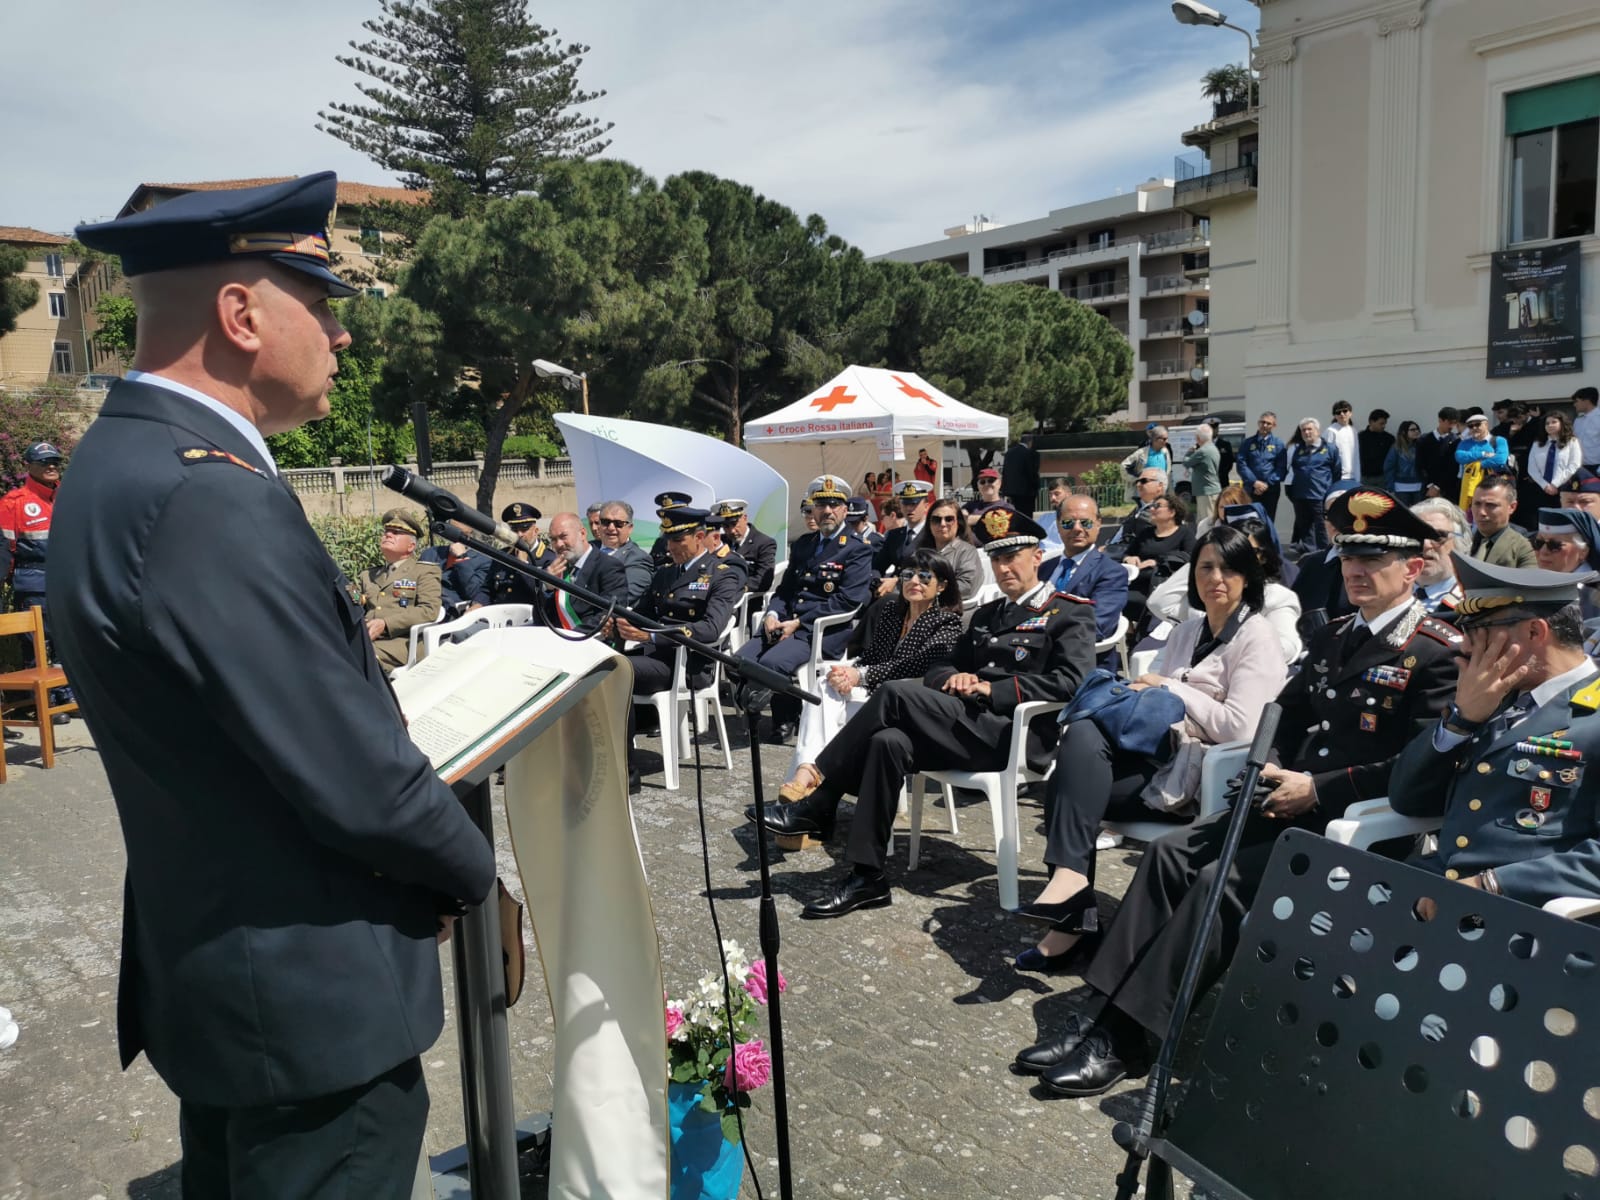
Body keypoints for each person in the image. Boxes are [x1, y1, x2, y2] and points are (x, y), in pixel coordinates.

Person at [53, 173, 497, 1192]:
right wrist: (467, 871)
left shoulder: (122, 462)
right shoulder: (208, 496)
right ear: (241, 314)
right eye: (323, 304)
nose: (342, 335)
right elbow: (354, 776)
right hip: (308, 999)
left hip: (233, 974)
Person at [1014, 486, 1461, 1097]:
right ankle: (1098, 1014)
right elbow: (1285, 717)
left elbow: (1420, 768)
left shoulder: (1436, 651)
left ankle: (1126, 1038)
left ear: (1412, 568)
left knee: (1215, 882)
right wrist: (1268, 764)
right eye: (1350, 558)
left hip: (1358, 827)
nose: (1356, 571)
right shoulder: (1333, 633)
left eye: (1373, 560)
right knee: (1168, 856)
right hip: (1284, 803)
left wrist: (1318, 788)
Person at [750, 507, 1096, 917]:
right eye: (996, 559)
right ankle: (867, 877)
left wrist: (994, 688)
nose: (1003, 568)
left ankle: (817, 799)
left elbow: (1074, 681)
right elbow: (941, 667)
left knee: (894, 694)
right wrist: (956, 677)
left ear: (1037, 557)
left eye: (1012, 557)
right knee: (887, 741)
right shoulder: (988, 615)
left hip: (1010, 735)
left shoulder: (1068, 611)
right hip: (961, 727)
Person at [1014, 525, 1289, 972]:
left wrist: (1174, 687)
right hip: (1155, 752)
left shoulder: (1257, 637)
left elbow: (1241, 729)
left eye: (1229, 568)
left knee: (1068, 785)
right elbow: (1153, 696)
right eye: (1205, 568)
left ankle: (1072, 920)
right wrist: (1160, 689)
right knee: (1081, 737)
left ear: (1248, 576)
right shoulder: (1187, 631)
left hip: (1198, 774)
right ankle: (1070, 890)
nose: (1216, 578)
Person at [1388, 555, 1600, 901]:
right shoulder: (1490, 696)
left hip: (1520, 913)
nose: (1465, 647)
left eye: (1479, 632)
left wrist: (1491, 885)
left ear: (1534, 632)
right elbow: (1405, 799)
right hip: (1433, 886)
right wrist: (1460, 722)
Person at [778, 549, 963, 801]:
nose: (914, 581)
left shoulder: (947, 622)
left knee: (823, 716)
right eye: (908, 574)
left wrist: (860, 675)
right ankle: (807, 775)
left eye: (924, 577)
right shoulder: (892, 613)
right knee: (824, 683)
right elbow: (871, 657)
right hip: (871, 693)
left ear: (941, 586)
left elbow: (918, 665)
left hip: (902, 706)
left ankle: (806, 780)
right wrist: (847, 673)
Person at [610, 506, 743, 785]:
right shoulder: (665, 574)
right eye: (668, 539)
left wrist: (652, 636)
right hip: (655, 658)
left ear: (699, 537)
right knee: (600, 665)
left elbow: (710, 628)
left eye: (678, 540)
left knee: (616, 671)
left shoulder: (722, 575)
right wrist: (615, 622)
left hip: (689, 665)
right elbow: (641, 613)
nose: (670, 547)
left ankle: (627, 771)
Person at [738, 476, 874, 741]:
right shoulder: (804, 544)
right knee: (739, 662)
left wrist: (799, 623)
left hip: (821, 631)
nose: (827, 511)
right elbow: (786, 590)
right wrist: (772, 615)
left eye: (834, 505)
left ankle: (785, 718)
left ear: (844, 510)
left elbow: (849, 600)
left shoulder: (856, 548)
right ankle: (757, 708)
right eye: (821, 505)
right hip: (786, 623)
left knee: (771, 664)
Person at [1148, 507, 1303, 663]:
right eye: (1228, 552)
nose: (1236, 559)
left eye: (1246, 553)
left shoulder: (1276, 597)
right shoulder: (1209, 593)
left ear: (1262, 556)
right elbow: (1159, 603)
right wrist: (1203, 560)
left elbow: (1287, 649)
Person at [1, 440, 72, 719]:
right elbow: (5, 549)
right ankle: (42, 701)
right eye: (44, 462)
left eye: (55, 461)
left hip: (64, 581)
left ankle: (65, 692)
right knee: (37, 643)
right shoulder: (14, 502)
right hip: (33, 581)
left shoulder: (67, 498)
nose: (51, 466)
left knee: (65, 641)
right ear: (28, 466)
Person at [359, 508, 443, 673]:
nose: (388, 535)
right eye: (387, 531)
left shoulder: (424, 571)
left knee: (357, 657)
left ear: (411, 546)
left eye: (396, 533)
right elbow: (353, 600)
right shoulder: (368, 575)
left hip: (402, 643)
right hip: (366, 638)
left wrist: (386, 624)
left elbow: (429, 610)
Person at [1048, 494, 1129, 652]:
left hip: (1079, 658)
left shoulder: (1112, 573)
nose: (1077, 528)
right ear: (1057, 526)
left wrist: (1041, 638)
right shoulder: (1043, 568)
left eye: (1085, 523)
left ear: (1098, 524)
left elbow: (1096, 626)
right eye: (1068, 523)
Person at [544, 512, 630, 635]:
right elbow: (541, 618)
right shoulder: (555, 569)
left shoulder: (609, 566)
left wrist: (569, 638)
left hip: (592, 642)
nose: (558, 544)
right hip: (558, 640)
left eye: (563, 536)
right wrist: (547, 588)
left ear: (582, 533)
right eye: (553, 539)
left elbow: (609, 614)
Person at [903, 496, 985, 601]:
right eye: (936, 520)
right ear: (929, 524)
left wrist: (931, 590)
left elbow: (967, 587)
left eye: (949, 519)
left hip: (949, 607)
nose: (942, 524)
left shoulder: (967, 552)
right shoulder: (920, 550)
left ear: (958, 522)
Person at [1286, 417, 1342, 548]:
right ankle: (1309, 553)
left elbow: (1337, 471)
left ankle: (1324, 553)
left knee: (1322, 527)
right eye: (1303, 430)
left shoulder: (1330, 448)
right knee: (1305, 528)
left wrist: (1331, 492)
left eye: (1309, 429)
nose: (1306, 432)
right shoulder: (1297, 449)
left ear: (1317, 430)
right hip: (1300, 496)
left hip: (1320, 495)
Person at [487, 501, 556, 605]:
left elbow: (542, 594)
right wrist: (477, 603)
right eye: (515, 530)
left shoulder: (548, 558)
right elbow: (487, 588)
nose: (519, 534)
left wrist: (523, 564)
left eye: (524, 529)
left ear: (536, 531)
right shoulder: (503, 555)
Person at [1410, 497, 1469, 617]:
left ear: (1460, 543)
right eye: (1417, 535)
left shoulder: (1471, 605)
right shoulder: (1387, 594)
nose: (1426, 545)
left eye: (1437, 536)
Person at [592, 500, 654, 605]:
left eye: (618, 523)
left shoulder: (638, 558)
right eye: (606, 522)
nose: (611, 528)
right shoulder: (588, 548)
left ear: (630, 528)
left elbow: (622, 597)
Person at [1468, 475, 1536, 568]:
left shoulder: (1523, 549)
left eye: (1490, 505)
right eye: (1477, 504)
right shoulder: (1464, 542)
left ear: (1511, 507)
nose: (1482, 512)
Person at [419, 534, 491, 616]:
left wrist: (462, 558)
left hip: (450, 612)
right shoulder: (431, 553)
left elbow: (474, 593)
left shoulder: (485, 560)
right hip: (422, 605)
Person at [717, 498, 778, 594]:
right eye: (726, 526)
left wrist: (734, 587)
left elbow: (763, 580)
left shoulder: (764, 543)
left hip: (745, 598)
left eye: (734, 524)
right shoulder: (720, 541)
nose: (732, 531)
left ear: (744, 518)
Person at [873, 480, 932, 575]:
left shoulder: (932, 533)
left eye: (914, 504)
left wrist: (897, 581)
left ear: (926, 506)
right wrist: (876, 579)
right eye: (905, 504)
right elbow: (878, 566)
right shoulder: (894, 535)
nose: (909, 508)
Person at [1235, 413, 1287, 522]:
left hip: (1270, 490)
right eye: (1262, 422)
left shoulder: (1278, 444)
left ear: (1274, 425)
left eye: (1268, 423)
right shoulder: (1247, 443)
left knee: (1268, 521)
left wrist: (1266, 484)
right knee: (1250, 521)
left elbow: (1281, 468)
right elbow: (1241, 464)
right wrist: (1254, 482)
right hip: (1251, 489)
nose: (1265, 425)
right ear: (1258, 423)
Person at [1455, 413, 1510, 508]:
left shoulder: (1499, 440)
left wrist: (1479, 465)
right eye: (1471, 426)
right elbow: (1459, 457)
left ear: (1486, 425)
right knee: (1470, 513)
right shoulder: (1464, 443)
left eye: (1477, 424)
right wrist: (1483, 454)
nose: (1474, 428)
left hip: (1494, 484)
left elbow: (1500, 459)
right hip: (1470, 486)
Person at [1529, 411, 1583, 503]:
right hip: (1541, 488)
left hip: (1564, 487)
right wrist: (1545, 485)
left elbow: (1574, 464)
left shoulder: (1572, 442)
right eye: (1547, 423)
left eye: (1554, 422)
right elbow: (1532, 468)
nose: (1550, 425)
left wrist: (1555, 484)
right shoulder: (1537, 444)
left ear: (1562, 423)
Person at [1417, 406, 1462, 499]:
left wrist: (1438, 487)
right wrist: (1430, 485)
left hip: (1448, 489)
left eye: (1454, 423)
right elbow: (1420, 465)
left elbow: (1453, 467)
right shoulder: (1424, 439)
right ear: (1440, 420)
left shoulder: (1456, 441)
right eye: (1449, 423)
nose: (1451, 427)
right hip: (1428, 488)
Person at [1184, 424, 1222, 524]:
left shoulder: (1202, 451)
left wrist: (1189, 452)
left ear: (1198, 438)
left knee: (1206, 522)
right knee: (1206, 520)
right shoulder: (1213, 448)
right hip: (1211, 490)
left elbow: (1186, 462)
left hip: (1205, 491)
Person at [648, 491, 694, 568]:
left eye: (675, 514)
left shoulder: (695, 536)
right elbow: (652, 563)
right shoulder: (660, 541)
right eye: (666, 514)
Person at [1121, 426, 1172, 496]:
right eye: (1164, 439)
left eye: (1167, 439)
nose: (1167, 441)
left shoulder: (1165, 452)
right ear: (1155, 439)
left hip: (1161, 492)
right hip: (1145, 494)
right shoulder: (1141, 453)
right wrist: (1137, 478)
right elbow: (1124, 466)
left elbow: (1168, 472)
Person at [1000, 432, 1041, 514]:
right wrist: (1036, 487)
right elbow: (1032, 473)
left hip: (1011, 492)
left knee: (1014, 514)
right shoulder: (1030, 453)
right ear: (1030, 442)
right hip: (1026, 493)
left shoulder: (1009, 453)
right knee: (1026, 516)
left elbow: (1004, 472)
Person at [1382, 420, 1422, 498]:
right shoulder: (1396, 448)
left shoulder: (1421, 446)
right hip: (1401, 488)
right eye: (1413, 430)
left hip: (1419, 487)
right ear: (1404, 432)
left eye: (1417, 429)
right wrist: (1390, 487)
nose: (1416, 431)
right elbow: (1389, 468)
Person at [1357, 408, 1394, 485]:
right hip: (1365, 477)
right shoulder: (1360, 437)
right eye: (1381, 423)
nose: (1384, 426)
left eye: (1385, 423)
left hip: (1383, 477)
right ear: (1371, 422)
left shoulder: (1389, 438)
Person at [1327, 400, 1358, 481]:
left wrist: (1358, 476)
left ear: (1350, 413)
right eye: (1338, 412)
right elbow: (1327, 455)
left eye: (1345, 411)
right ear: (1335, 415)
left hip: (1354, 476)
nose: (1342, 414)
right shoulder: (1331, 431)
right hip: (1339, 477)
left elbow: (1356, 455)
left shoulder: (1353, 431)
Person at [1574, 386, 1600, 470]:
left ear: (1586, 401)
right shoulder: (1578, 420)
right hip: (1579, 466)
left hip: (1596, 467)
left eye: (1577, 401)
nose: (1574, 404)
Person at [1206, 417, 1235, 488]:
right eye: (1210, 428)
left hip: (1222, 482)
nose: (1213, 430)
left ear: (1218, 429)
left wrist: (1219, 475)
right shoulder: (1201, 445)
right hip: (1206, 483)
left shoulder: (1225, 445)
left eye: (1215, 428)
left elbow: (1229, 463)